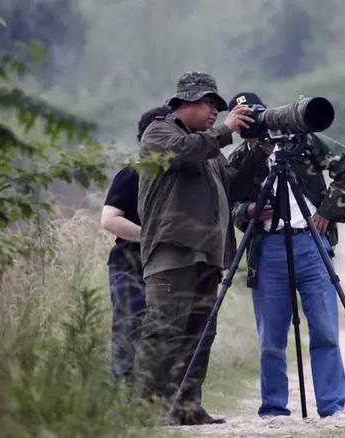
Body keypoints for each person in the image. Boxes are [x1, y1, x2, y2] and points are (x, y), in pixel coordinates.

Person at [132, 72, 268, 425]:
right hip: (172, 250)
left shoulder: (208, 148)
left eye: (216, 107)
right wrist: (225, 131)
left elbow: (234, 187)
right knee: (164, 331)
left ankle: (187, 407)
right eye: (209, 104)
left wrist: (257, 154)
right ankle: (148, 411)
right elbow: (183, 155)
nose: (214, 112)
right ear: (185, 103)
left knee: (200, 334)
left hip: (209, 252)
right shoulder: (161, 133)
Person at [227, 92, 345, 419]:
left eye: (254, 116)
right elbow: (224, 199)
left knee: (325, 330)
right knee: (271, 338)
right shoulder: (241, 158)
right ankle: (273, 409)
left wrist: (329, 211)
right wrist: (248, 211)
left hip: (311, 242)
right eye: (242, 119)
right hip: (268, 247)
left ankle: (332, 408)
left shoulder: (301, 143)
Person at [100, 105, 172, 380]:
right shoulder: (133, 173)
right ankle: (124, 395)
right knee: (129, 329)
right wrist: (150, 236)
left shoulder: (178, 176)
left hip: (165, 266)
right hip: (130, 264)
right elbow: (109, 219)